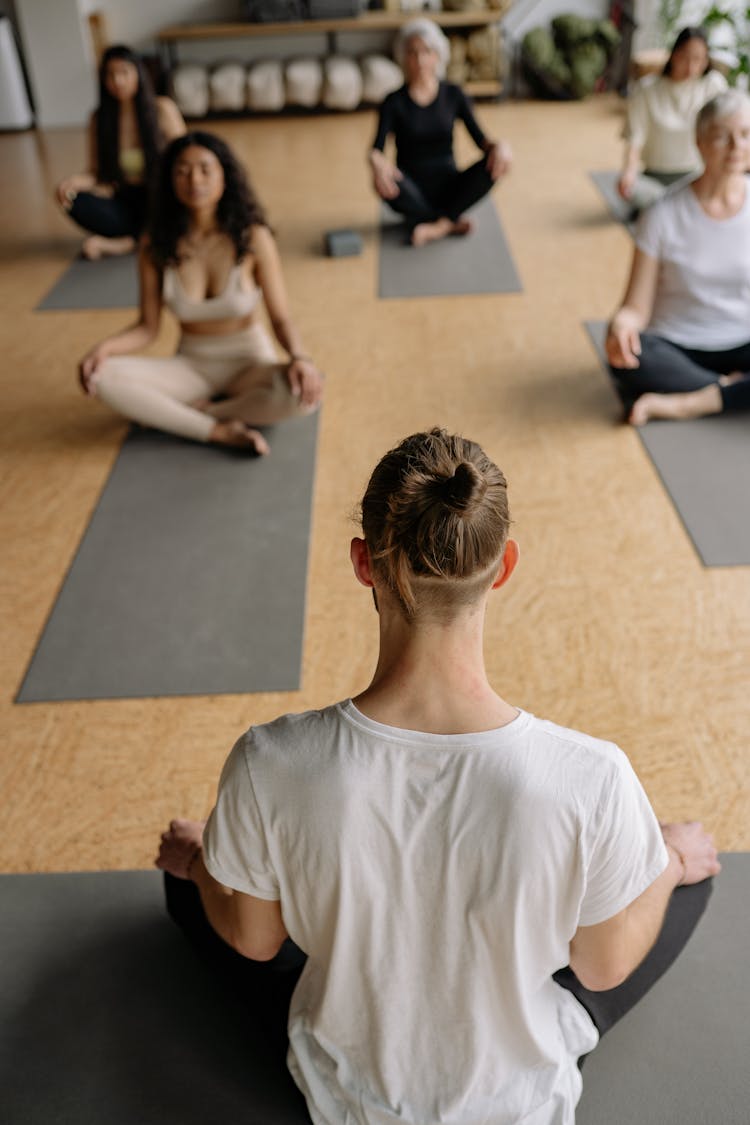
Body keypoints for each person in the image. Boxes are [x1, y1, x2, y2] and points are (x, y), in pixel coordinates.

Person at [156, 428, 719, 1124]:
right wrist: (664, 862)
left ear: (364, 562)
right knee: (688, 871)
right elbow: (601, 968)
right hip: (516, 1101)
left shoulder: (270, 759)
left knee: (194, 880)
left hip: (348, 1097)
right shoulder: (592, 774)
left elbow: (255, 940)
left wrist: (202, 864)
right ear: (504, 565)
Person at [79, 132, 323, 453]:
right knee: (103, 377)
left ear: (225, 176)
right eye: (182, 170)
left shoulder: (254, 237)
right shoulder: (154, 244)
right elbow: (147, 327)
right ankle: (215, 431)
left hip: (249, 363)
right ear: (170, 180)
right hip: (192, 367)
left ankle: (203, 412)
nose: (194, 179)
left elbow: (281, 317)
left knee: (303, 395)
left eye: (206, 169)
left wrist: (299, 357)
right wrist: (103, 349)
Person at [607, 89, 750, 425]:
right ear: (699, 142)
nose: (736, 147)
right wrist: (621, 326)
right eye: (722, 137)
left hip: (743, 339)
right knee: (628, 357)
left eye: (745, 134)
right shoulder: (662, 214)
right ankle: (731, 390)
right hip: (676, 344)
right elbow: (635, 307)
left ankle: (687, 402)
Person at [368, 19, 512, 247]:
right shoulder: (393, 101)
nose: (419, 60)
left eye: (426, 52)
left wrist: (501, 147)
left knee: (492, 166)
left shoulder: (454, 94)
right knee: (384, 181)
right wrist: (376, 163)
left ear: (437, 55)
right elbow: (376, 148)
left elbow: (482, 141)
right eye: (412, 53)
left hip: (449, 184)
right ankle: (449, 221)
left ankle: (436, 226)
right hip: (411, 188)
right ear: (403, 57)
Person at [55, 44, 185, 260]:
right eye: (111, 75)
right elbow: (95, 171)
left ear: (138, 73)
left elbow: (183, 156)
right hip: (124, 197)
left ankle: (126, 243)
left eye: (124, 72)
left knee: (179, 206)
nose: (118, 81)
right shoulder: (99, 119)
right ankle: (141, 237)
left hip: (160, 194)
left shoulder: (162, 109)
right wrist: (73, 183)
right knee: (74, 199)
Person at [618, 26, 726, 214]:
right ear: (673, 54)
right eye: (685, 57)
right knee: (633, 191)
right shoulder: (646, 89)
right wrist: (629, 173)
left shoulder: (713, 85)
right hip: (654, 177)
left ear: (707, 60)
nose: (691, 67)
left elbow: (728, 126)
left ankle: (673, 205)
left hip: (699, 174)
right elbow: (634, 138)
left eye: (698, 59)